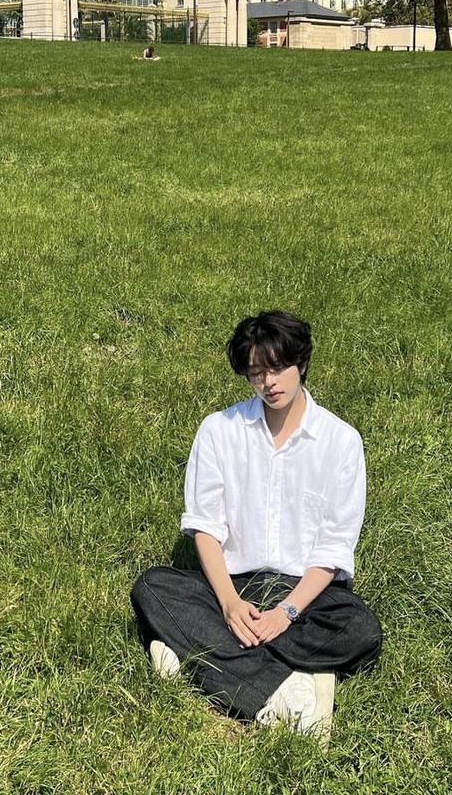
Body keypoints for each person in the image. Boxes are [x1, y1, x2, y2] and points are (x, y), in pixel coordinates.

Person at [131, 311, 382, 738]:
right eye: (256, 373)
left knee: (359, 630)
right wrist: (229, 605)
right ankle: (290, 689)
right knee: (154, 588)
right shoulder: (218, 430)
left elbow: (334, 546)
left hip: (308, 595)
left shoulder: (341, 441)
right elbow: (205, 528)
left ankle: (195, 658)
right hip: (236, 585)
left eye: (279, 368)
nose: (270, 383)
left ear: (301, 363)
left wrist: (285, 613)